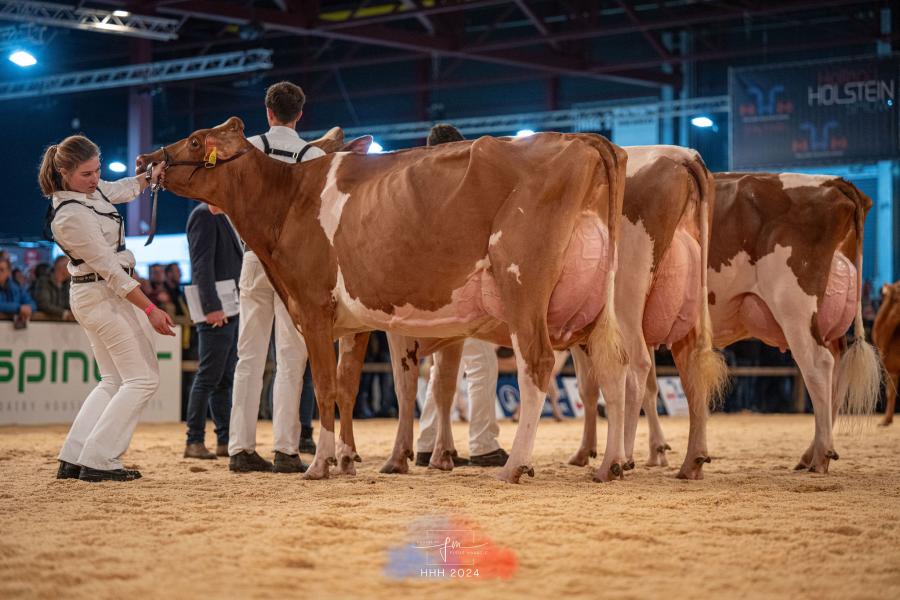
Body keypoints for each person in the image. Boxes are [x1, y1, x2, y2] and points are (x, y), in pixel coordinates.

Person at [39, 134, 171, 482]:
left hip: (97, 295)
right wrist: (150, 309)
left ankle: (74, 455)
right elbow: (112, 272)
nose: (96, 179)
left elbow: (122, 189)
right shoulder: (69, 216)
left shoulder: (89, 193)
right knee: (142, 379)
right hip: (100, 295)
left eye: (97, 170)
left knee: (113, 379)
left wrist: (149, 176)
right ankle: (100, 458)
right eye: (87, 174)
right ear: (64, 172)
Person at [228, 81, 325, 474]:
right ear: (300, 114)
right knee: (291, 356)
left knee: (248, 356)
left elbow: (233, 204)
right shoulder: (313, 154)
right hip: (296, 264)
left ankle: (240, 447)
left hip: (255, 256)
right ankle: (286, 448)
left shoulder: (247, 148)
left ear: (268, 112)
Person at [415, 123, 509, 468]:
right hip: (463, 288)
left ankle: (428, 442)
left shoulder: (416, 184)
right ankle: (483, 443)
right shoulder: (465, 186)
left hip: (426, 291)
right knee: (480, 363)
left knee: (440, 366)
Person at [183, 203, 242, 459]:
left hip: (232, 305)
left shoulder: (226, 214)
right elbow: (201, 264)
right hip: (216, 308)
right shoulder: (203, 215)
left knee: (224, 378)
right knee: (207, 376)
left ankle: (224, 439)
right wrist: (212, 307)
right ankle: (194, 440)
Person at [32, 255, 74, 320]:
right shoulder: (43, 281)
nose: (73, 269)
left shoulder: (68, 283)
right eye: (70, 266)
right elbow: (43, 304)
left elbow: (69, 304)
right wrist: (64, 313)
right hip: (42, 323)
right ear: (61, 266)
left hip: (61, 324)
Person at [0, 257, 37, 323]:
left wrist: (29, 308)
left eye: (1, 270)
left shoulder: (17, 287)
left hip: (14, 328)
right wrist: (18, 308)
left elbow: (32, 304)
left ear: (8, 272)